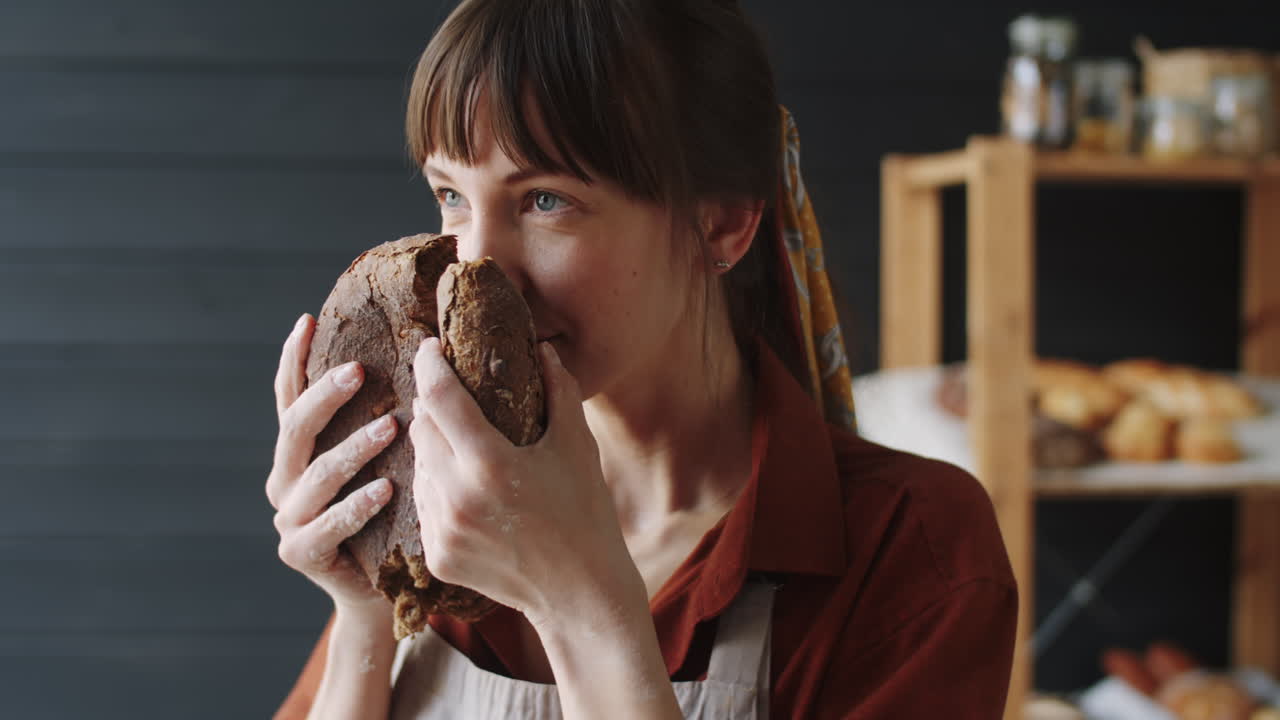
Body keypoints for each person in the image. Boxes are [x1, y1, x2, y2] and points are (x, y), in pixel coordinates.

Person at [267, 0, 1017, 718]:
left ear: (721, 223)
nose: (475, 269)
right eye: (452, 196)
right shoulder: (441, 496)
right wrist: (365, 605)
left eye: (546, 201)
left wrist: (580, 602)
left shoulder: (915, 550)